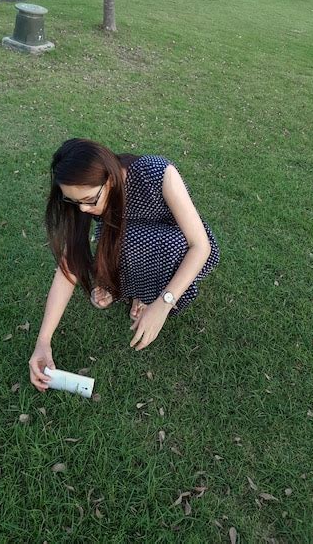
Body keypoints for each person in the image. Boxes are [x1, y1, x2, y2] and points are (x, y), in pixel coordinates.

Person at [29, 139, 220, 392]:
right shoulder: (84, 202)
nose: (84, 209)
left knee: (160, 244)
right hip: (132, 243)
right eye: (75, 202)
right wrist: (43, 341)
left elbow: (200, 246)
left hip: (181, 248)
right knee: (119, 239)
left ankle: (146, 294)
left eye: (89, 199)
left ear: (109, 179)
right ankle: (133, 292)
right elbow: (68, 268)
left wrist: (163, 304)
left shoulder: (156, 173)